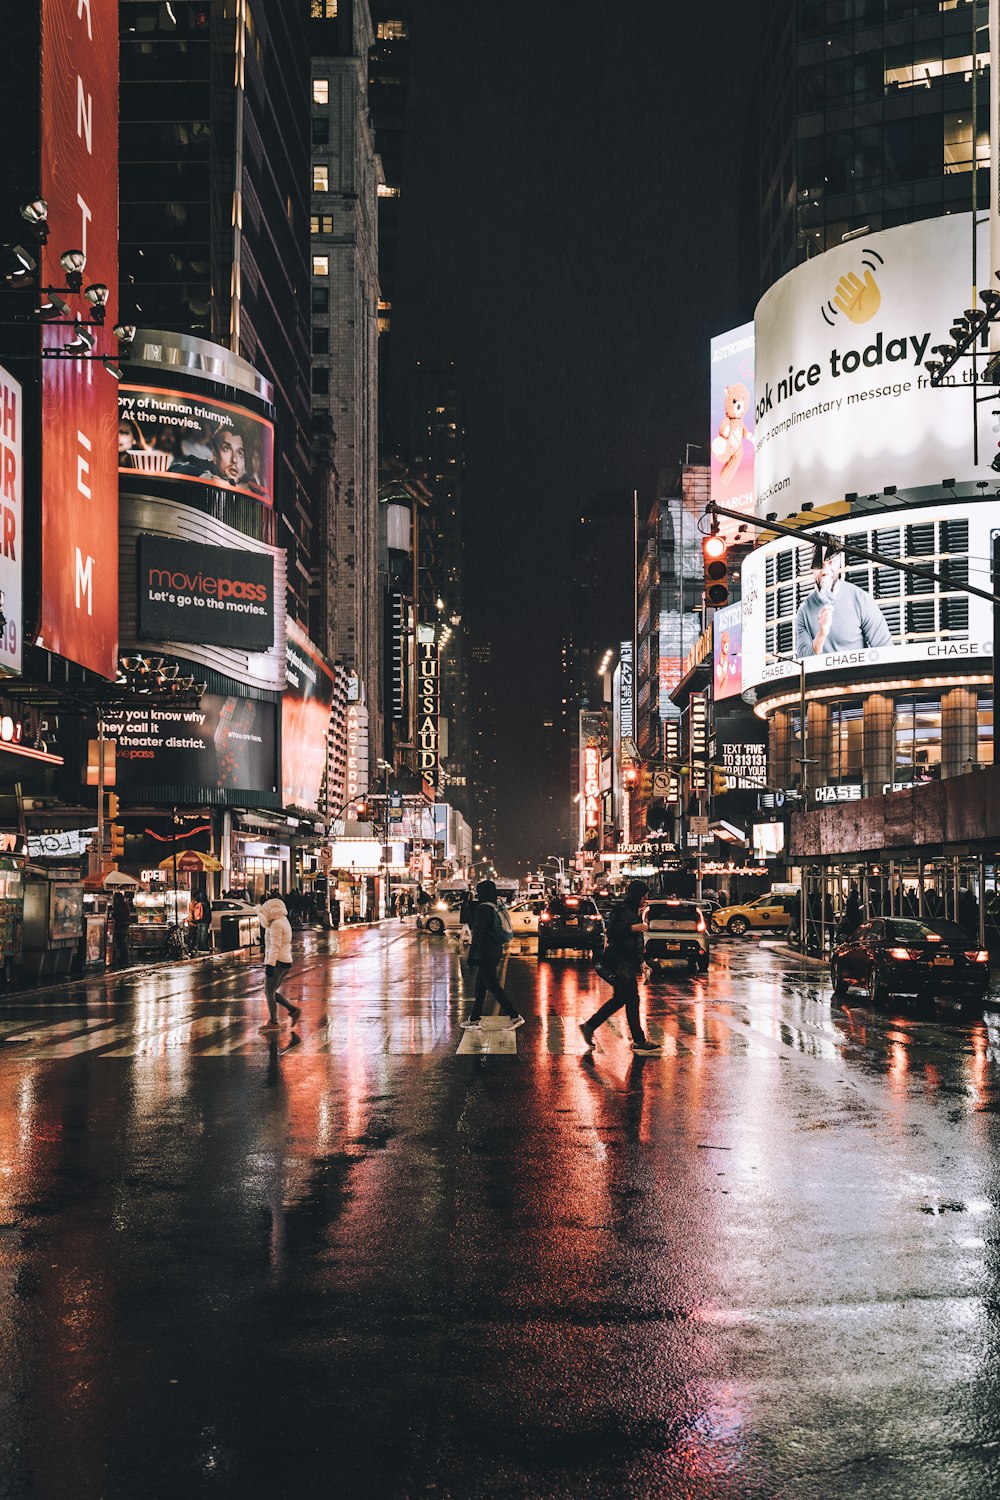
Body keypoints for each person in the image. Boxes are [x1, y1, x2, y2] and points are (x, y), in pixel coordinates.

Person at [579, 880, 660, 1055]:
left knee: (623, 999)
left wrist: (642, 963)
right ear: (636, 895)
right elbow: (612, 931)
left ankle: (590, 1026)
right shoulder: (622, 910)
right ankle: (638, 1040)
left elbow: (637, 941)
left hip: (628, 963)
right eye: (644, 896)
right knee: (631, 999)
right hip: (618, 962)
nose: (646, 899)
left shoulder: (633, 911)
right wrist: (632, 927)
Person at [794, 544, 892, 659]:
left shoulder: (861, 600)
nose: (825, 571)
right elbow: (802, 663)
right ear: (812, 569)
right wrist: (821, 634)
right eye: (819, 565)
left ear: (839, 563)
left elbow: (886, 652)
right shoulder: (804, 611)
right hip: (821, 677)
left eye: (830, 562)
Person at [462, 879, 524, 1033]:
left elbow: (478, 934)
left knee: (492, 985)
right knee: (481, 986)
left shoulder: (483, 908)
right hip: (495, 951)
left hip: (485, 953)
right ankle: (474, 1018)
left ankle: (514, 1016)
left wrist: (472, 955)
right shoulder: (496, 905)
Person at [257, 896, 302, 1032]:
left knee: (269, 992)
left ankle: (273, 1022)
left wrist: (270, 965)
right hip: (284, 961)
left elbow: (275, 946)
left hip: (277, 962)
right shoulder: (283, 920)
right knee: (271, 991)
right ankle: (293, 1010)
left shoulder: (276, 924)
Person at [111, 889, 133, 967]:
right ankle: (124, 958)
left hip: (121, 927)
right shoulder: (125, 905)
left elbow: (117, 916)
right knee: (122, 944)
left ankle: (124, 959)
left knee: (121, 944)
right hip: (125, 927)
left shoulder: (120, 906)